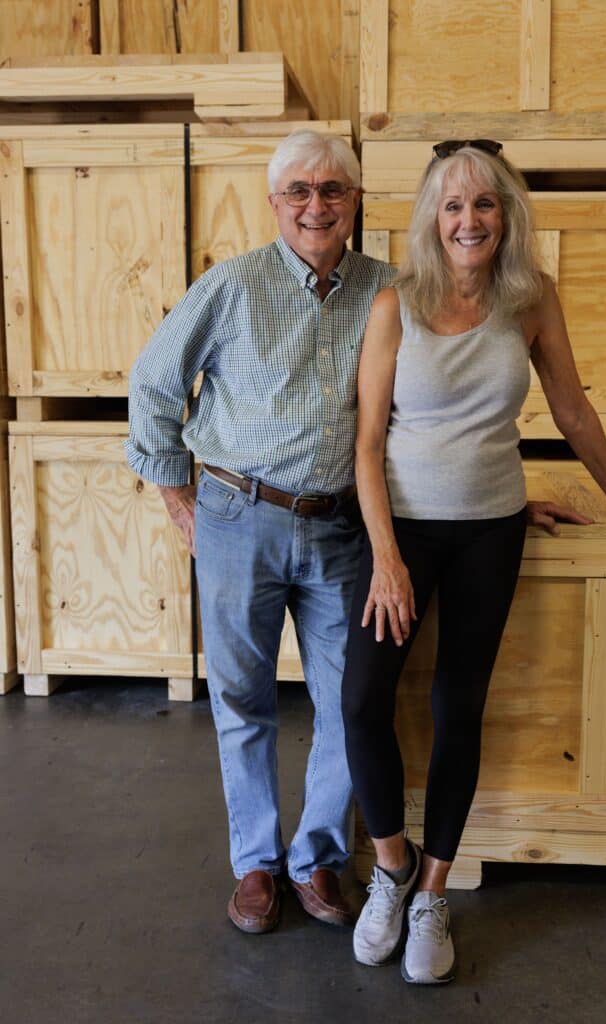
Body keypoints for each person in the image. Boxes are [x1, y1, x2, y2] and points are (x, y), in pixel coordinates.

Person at [341, 139, 606, 985]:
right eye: (453, 205)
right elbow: (364, 445)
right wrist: (386, 559)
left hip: (489, 531)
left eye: (484, 204)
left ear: (507, 214)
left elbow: (571, 408)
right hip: (400, 529)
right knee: (362, 697)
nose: (468, 220)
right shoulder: (396, 305)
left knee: (456, 703)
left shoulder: (530, 298)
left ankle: (434, 892)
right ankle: (391, 869)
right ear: (433, 216)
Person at [125, 130, 396, 934]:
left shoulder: (387, 292)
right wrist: (178, 498)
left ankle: (317, 858)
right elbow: (153, 381)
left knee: (350, 703)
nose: (317, 206)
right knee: (243, 701)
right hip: (237, 515)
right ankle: (254, 861)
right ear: (275, 202)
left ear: (354, 200)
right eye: (300, 192)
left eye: (333, 190)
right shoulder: (234, 285)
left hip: (340, 525)